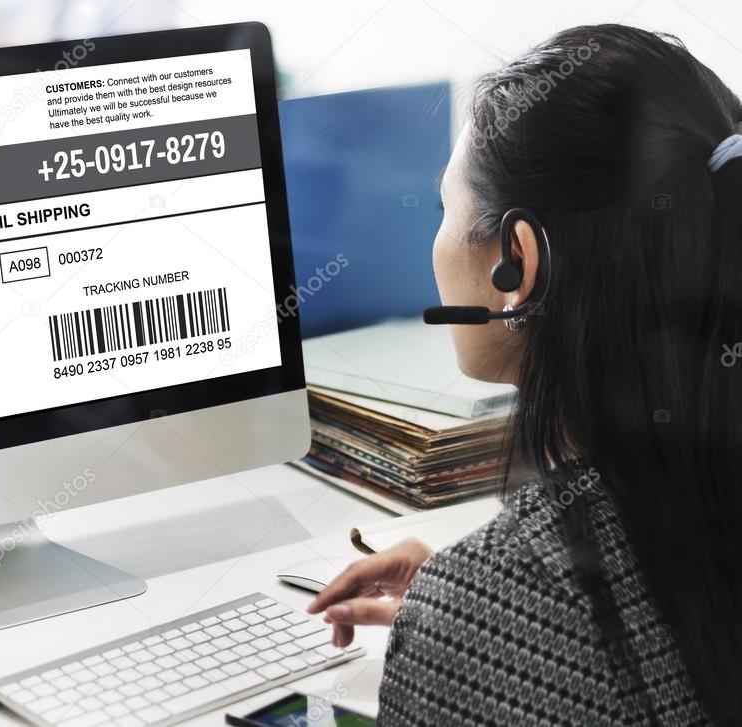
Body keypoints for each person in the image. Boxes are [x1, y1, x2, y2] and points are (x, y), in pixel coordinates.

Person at [309, 24, 742, 726]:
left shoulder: (481, 610)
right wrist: (496, 597)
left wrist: (481, 612)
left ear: (518, 261)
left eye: (446, 209)